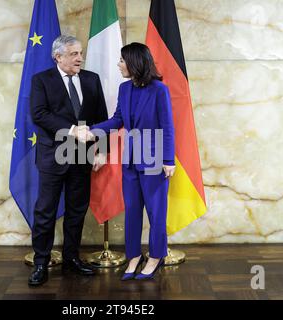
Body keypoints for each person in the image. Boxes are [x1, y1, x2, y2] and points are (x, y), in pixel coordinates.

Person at [86, 42, 175, 280]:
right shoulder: (125, 89)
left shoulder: (159, 90)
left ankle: (156, 255)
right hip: (131, 162)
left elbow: (167, 127)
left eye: (122, 60)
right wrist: (92, 131)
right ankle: (134, 255)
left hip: (155, 160)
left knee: (157, 213)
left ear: (135, 63)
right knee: (133, 211)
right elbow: (117, 120)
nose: (119, 64)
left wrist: (169, 159)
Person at [28, 35, 108, 286]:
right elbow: (39, 115)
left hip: (83, 156)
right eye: (74, 54)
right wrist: (72, 130)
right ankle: (41, 262)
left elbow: (101, 118)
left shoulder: (91, 79)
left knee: (76, 210)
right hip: (53, 156)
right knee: (46, 211)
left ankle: (72, 258)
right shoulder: (41, 80)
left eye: (80, 53)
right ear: (58, 57)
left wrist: (101, 150)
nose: (80, 58)